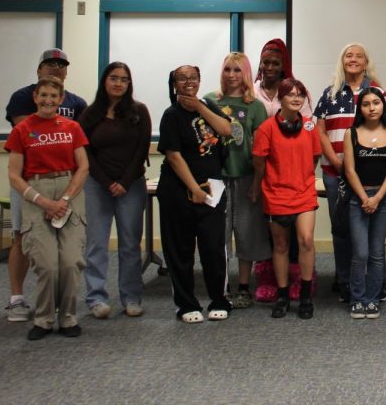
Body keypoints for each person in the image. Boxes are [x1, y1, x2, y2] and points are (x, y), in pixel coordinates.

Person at [2, 48, 87, 323]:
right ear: (39, 70)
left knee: (67, 254)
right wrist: (40, 198)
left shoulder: (76, 103)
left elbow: (80, 144)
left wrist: (64, 196)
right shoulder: (21, 97)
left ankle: (64, 308)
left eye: (61, 65)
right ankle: (17, 299)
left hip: (67, 184)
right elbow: (30, 135)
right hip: (30, 182)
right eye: (49, 64)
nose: (55, 69)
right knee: (23, 239)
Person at [156, 65, 238, 324]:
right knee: (180, 249)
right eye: (182, 78)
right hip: (179, 191)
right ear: (174, 83)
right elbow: (173, 155)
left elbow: (227, 130)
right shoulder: (171, 115)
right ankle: (186, 304)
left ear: (200, 81)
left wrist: (201, 108)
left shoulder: (208, 106)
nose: (188, 82)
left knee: (213, 247)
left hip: (212, 189)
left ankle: (219, 299)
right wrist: (193, 188)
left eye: (193, 78)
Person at [313, 42, 386, 303]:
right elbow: (320, 131)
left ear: (366, 62)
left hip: (372, 176)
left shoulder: (377, 91)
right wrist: (340, 165)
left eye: (359, 56)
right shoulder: (330, 93)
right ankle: (345, 281)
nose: (354, 59)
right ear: (342, 61)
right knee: (342, 229)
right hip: (335, 173)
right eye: (349, 55)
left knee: (371, 233)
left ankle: (373, 282)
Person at [252, 78, 338, 320]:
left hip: (303, 193)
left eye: (301, 94)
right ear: (281, 98)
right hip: (276, 194)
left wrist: (300, 178)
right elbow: (259, 163)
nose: (297, 98)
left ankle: (306, 296)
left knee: (307, 240)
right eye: (291, 94)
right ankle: (282, 295)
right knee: (280, 246)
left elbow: (313, 159)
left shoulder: (310, 127)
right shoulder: (267, 128)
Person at [79, 61, 151, 320]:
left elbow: (142, 149)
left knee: (130, 244)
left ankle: (131, 297)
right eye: (114, 78)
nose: (119, 83)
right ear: (105, 81)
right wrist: (106, 181)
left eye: (124, 79)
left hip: (131, 185)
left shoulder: (139, 112)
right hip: (97, 185)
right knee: (96, 243)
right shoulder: (89, 114)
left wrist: (124, 181)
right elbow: (84, 151)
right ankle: (96, 298)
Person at [204, 52, 269, 310]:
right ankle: (222, 286)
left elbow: (262, 149)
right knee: (218, 236)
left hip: (245, 177)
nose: (231, 75)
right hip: (215, 179)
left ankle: (243, 287)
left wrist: (257, 184)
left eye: (237, 70)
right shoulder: (209, 101)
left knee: (246, 234)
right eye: (227, 69)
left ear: (246, 74)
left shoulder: (255, 106)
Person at [343, 87, 386, 320]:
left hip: (382, 200)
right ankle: (357, 298)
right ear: (360, 108)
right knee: (360, 253)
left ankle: (372, 298)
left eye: (376, 103)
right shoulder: (351, 133)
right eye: (366, 104)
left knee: (376, 253)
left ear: (382, 106)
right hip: (359, 199)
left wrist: (377, 198)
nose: (371, 107)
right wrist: (365, 198)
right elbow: (349, 170)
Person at [254, 38, 298, 117]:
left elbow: (305, 124)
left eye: (276, 63)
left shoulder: (296, 92)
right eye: (266, 62)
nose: (270, 68)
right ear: (260, 64)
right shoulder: (251, 91)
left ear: (283, 66)